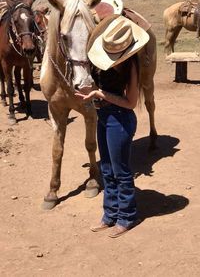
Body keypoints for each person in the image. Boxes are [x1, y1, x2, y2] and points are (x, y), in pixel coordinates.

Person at [75, 15, 150, 238]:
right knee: (106, 169)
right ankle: (110, 215)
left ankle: (127, 216)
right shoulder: (100, 61)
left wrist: (102, 94)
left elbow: (130, 103)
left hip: (121, 119)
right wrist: (92, 95)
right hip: (105, 116)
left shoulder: (132, 67)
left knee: (121, 171)